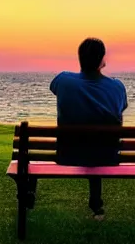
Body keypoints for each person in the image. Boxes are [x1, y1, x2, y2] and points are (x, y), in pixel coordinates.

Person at [49, 37, 128, 221]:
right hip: (107, 156)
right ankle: (96, 204)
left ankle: (29, 192)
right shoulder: (117, 87)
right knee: (98, 139)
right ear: (102, 60)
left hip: (68, 154)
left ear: (80, 58)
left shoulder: (63, 80)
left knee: (87, 138)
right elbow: (120, 109)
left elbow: (54, 88)